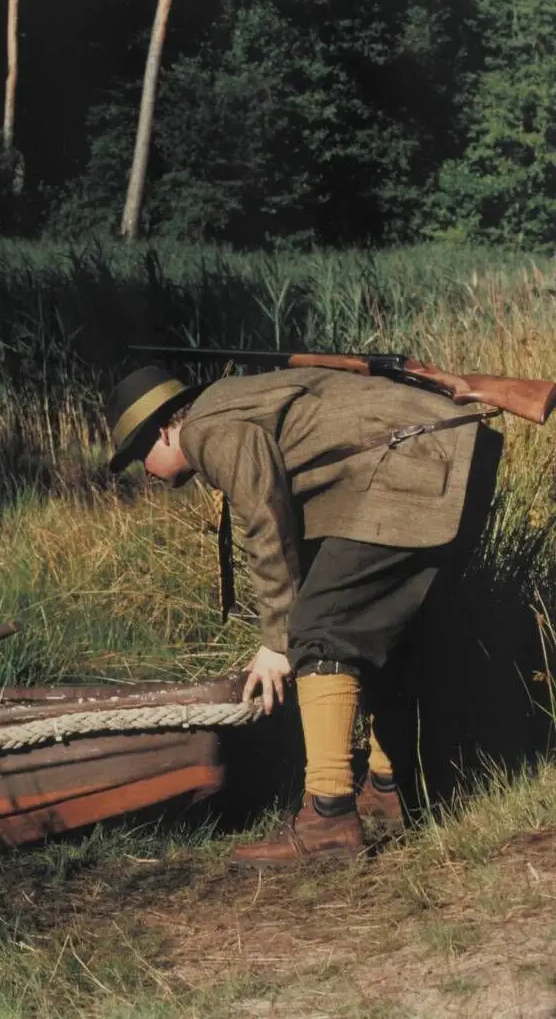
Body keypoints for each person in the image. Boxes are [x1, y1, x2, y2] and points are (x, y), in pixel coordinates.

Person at [105, 363, 503, 867]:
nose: (145, 469)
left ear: (165, 429)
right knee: (382, 631)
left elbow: (264, 514)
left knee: (319, 626)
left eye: (141, 452)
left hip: (414, 473)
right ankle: (388, 792)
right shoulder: (236, 399)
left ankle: (329, 818)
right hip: (453, 462)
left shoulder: (206, 427)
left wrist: (277, 641)